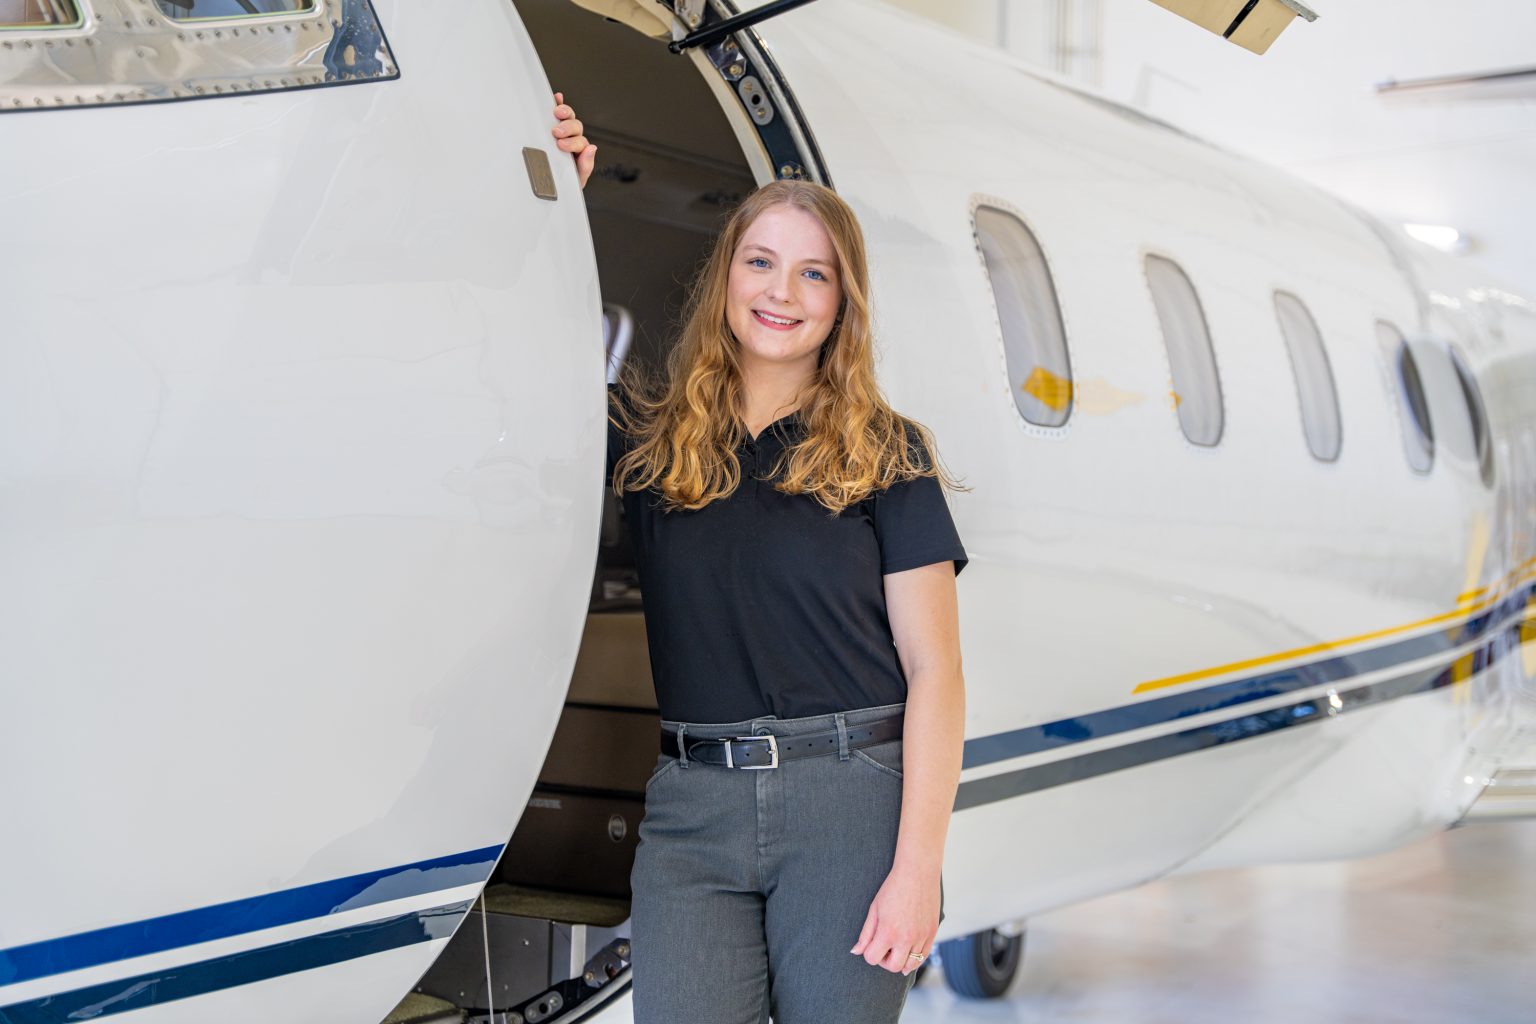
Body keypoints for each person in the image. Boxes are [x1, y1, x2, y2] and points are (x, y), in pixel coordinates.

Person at [553, 97, 968, 1023]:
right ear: (727, 278)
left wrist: (917, 869)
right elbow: (542, 347)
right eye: (761, 262)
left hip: (849, 807)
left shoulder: (888, 454)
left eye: (813, 274)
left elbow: (937, 673)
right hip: (691, 810)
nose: (782, 292)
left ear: (842, 302)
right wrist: (555, 204)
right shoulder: (650, 444)